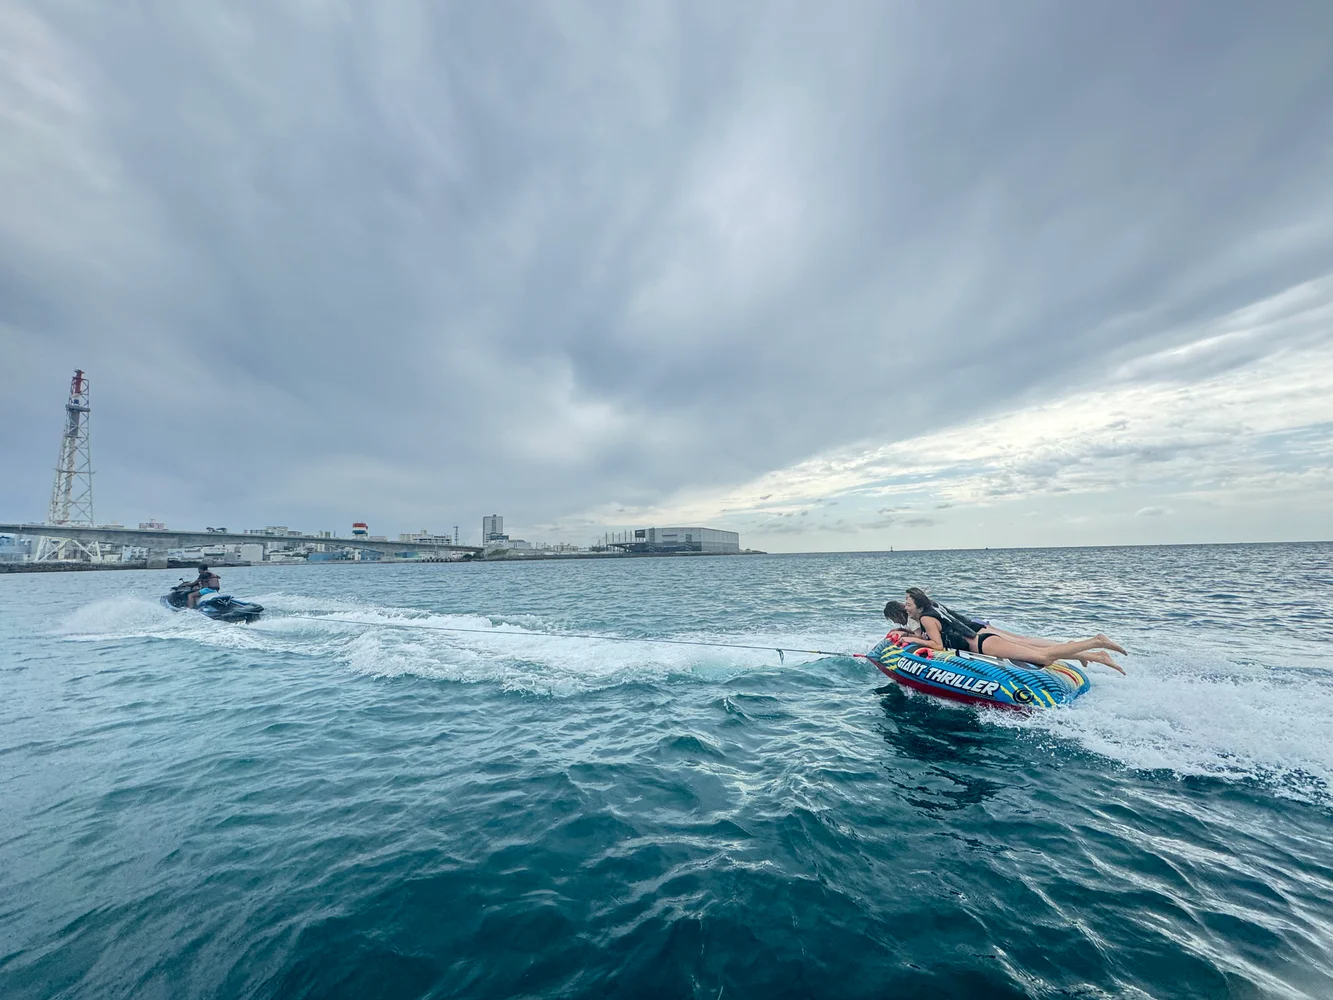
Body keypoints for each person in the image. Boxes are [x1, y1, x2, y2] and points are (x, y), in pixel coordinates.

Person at [903, 588, 1126, 673]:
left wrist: (912, 642)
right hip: (983, 639)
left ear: (919, 605)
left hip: (984, 644)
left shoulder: (926, 619)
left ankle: (1096, 642)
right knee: (1039, 653)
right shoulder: (931, 612)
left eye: (908, 603)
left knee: (1044, 656)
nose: (906, 606)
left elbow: (938, 645)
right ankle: (1095, 655)